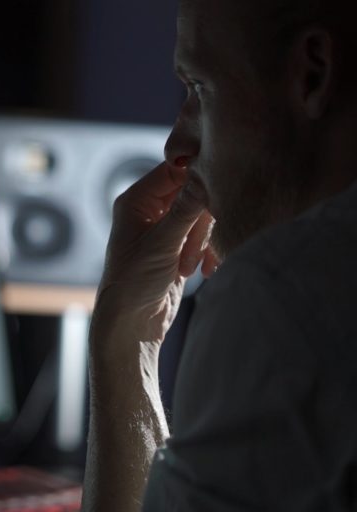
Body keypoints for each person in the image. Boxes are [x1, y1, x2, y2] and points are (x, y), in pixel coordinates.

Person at [81, 0, 357, 510]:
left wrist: (127, 338)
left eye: (200, 88)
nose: (177, 145)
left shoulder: (283, 293)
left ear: (313, 72)